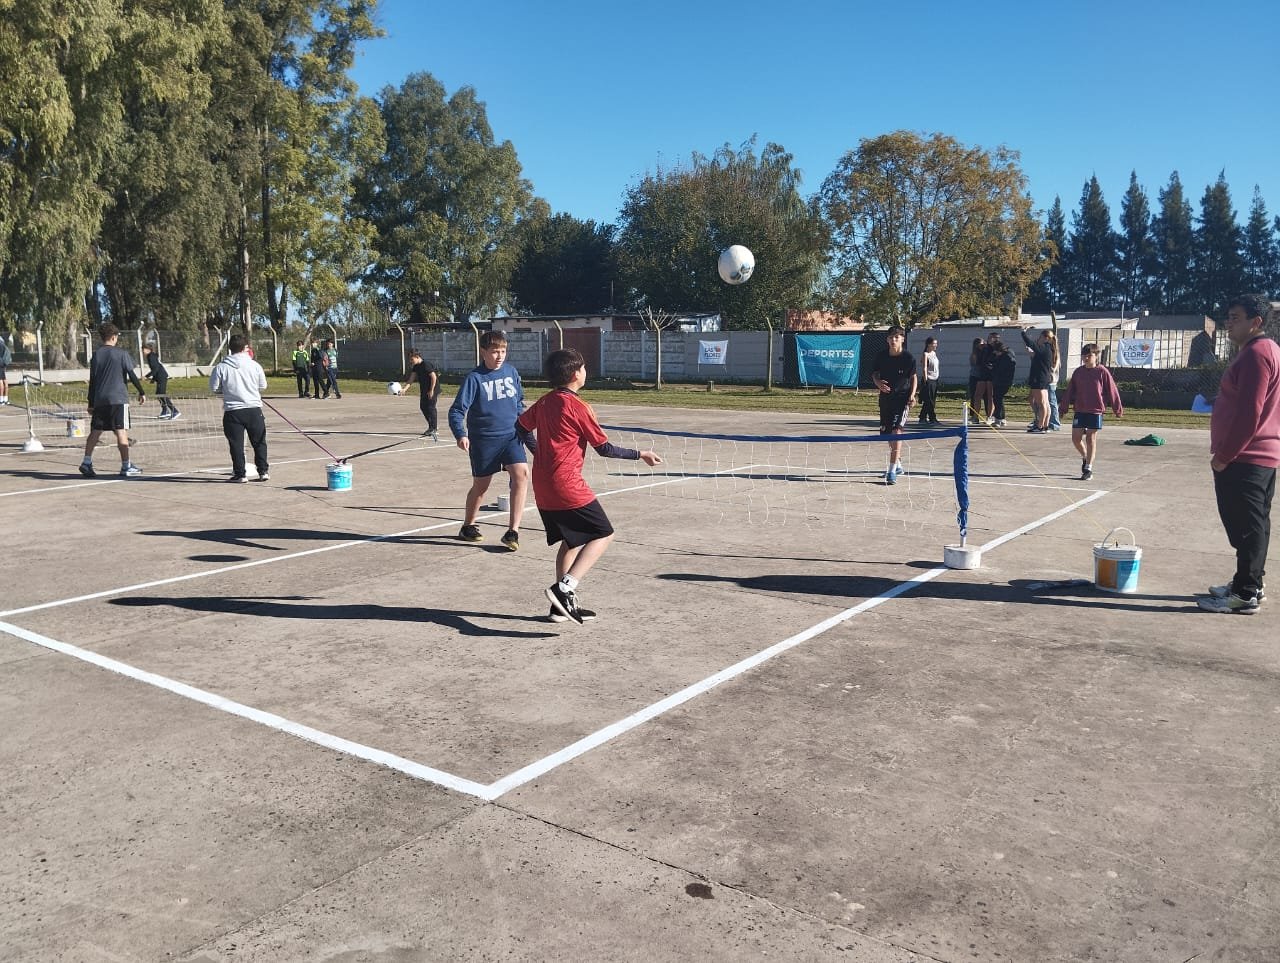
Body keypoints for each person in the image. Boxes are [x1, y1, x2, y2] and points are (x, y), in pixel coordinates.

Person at [516, 348, 662, 623]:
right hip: (566, 484)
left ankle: (559, 607)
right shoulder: (578, 407)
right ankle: (565, 587)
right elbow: (604, 448)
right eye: (583, 368)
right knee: (603, 533)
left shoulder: (545, 401)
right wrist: (640, 454)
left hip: (544, 483)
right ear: (575, 374)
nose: (585, 372)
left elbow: (521, 427)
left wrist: (539, 453)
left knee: (571, 540)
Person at [1197, 294, 1280, 615]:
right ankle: (1249, 582)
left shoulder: (1256, 354)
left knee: (1245, 527)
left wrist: (1225, 455)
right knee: (1254, 523)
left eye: (1235, 317)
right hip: (1258, 455)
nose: (1228, 323)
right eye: (1228, 317)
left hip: (1246, 456)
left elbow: (1250, 413)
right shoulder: (1264, 351)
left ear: (1255, 322)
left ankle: (1245, 594)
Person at [448, 330, 529, 549]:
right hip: (484, 441)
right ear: (483, 352)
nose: (499, 356)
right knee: (481, 486)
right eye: (494, 351)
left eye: (503, 351)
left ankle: (513, 532)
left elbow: (519, 402)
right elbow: (457, 410)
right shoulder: (475, 378)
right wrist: (461, 434)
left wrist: (525, 427)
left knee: (521, 475)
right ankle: (468, 525)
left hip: (511, 437)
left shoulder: (511, 372)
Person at [79, 322, 146, 478]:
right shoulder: (121, 353)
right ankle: (126, 466)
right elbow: (131, 374)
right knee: (121, 431)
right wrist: (141, 391)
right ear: (114, 337)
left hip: (100, 399)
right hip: (118, 399)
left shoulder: (96, 355)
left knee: (96, 431)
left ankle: (86, 462)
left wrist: (91, 402)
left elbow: (93, 380)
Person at [209, 333, 270, 483]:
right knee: (259, 441)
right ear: (245, 348)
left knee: (236, 444)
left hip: (233, 410)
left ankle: (240, 474)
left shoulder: (221, 367)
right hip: (253, 409)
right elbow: (263, 385)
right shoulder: (255, 365)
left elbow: (214, 388)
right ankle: (263, 471)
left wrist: (227, 391)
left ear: (230, 348)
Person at [1062, 343, 1122, 481]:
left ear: (1096, 356)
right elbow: (1070, 391)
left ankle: (1088, 468)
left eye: (1089, 355)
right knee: (1076, 438)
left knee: (1090, 438)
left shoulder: (1102, 372)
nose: (1086, 358)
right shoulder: (1078, 372)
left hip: (1095, 410)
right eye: (1084, 355)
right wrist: (1063, 407)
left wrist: (1117, 408)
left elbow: (1112, 390)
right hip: (1080, 409)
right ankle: (1085, 457)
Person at [871, 325, 917, 485]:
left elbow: (913, 378)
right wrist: (877, 382)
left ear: (902, 339)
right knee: (887, 435)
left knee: (897, 432)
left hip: (902, 399)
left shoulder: (908, 358)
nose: (893, 340)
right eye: (891, 337)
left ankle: (891, 471)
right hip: (885, 400)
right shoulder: (881, 356)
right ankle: (898, 464)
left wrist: (912, 395)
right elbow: (875, 374)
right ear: (887, 339)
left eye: (896, 337)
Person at [1020, 327, 1058, 432]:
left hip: (1039, 378)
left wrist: (1023, 333)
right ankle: (1045, 425)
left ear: (1046, 338)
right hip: (1044, 378)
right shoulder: (1048, 349)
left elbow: (1031, 344)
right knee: (1045, 403)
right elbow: (1035, 354)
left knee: (1041, 404)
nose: (1038, 339)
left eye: (1040, 337)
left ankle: (1040, 426)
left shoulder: (1045, 347)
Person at [404, 348, 440, 440]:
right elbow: (411, 379)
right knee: (423, 407)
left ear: (417, 356)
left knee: (431, 407)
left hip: (433, 389)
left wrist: (431, 390)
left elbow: (433, 377)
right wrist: (404, 390)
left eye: (411, 359)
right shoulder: (416, 367)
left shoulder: (426, 364)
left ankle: (433, 428)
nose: (410, 361)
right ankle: (432, 425)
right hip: (424, 389)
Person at [142, 344, 180, 420]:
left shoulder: (151, 356)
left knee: (162, 394)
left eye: (143, 349)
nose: (142, 351)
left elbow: (156, 368)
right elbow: (157, 368)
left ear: (148, 349)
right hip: (160, 377)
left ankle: (175, 411)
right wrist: (153, 379)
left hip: (162, 376)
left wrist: (147, 376)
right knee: (158, 394)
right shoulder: (151, 356)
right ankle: (165, 410)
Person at [990, 335, 1017, 427]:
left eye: (995, 351)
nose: (994, 353)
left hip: (1003, 381)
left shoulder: (1006, 357)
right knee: (998, 398)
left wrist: (993, 368)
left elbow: (1000, 369)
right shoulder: (1007, 354)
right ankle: (1001, 418)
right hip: (1001, 380)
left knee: (997, 398)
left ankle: (999, 418)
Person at [917, 336, 940, 426]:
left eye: (936, 343)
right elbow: (924, 368)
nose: (935, 345)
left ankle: (922, 417)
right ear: (929, 344)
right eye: (934, 343)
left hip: (935, 379)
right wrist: (926, 380)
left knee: (931, 400)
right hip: (928, 379)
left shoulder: (934, 353)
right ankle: (932, 418)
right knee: (929, 400)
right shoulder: (925, 354)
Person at [967, 337, 987, 423]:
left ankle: (989, 415)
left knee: (986, 397)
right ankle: (974, 415)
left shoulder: (985, 352)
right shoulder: (974, 354)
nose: (982, 346)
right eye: (980, 344)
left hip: (983, 376)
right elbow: (975, 363)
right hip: (975, 376)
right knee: (974, 396)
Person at [0, 334, 11, 405]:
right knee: (4, 381)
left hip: (0, 364)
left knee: (0, 382)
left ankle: (1, 400)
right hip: (3, 365)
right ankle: (6, 399)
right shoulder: (4, 345)